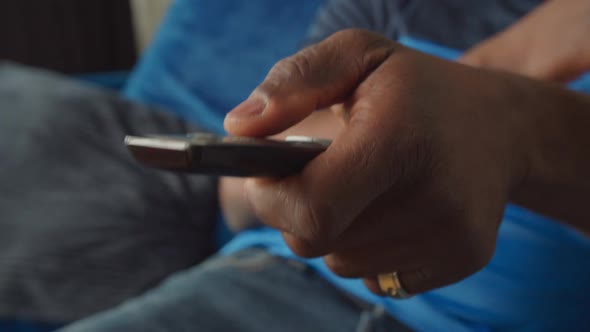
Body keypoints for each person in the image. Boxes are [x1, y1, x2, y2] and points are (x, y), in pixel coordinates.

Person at [3, 0, 589, 331]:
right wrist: (492, 74)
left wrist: (503, 118)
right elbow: (254, 179)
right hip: (273, 276)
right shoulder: (391, 7)